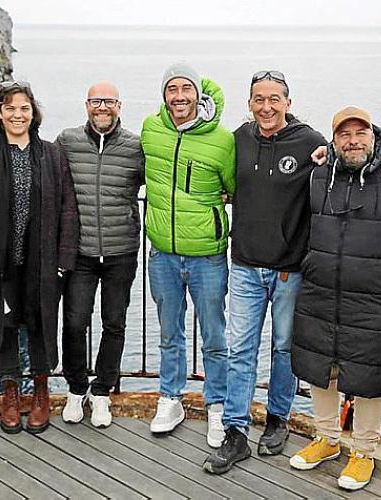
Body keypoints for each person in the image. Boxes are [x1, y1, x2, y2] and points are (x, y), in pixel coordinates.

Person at [204, 70, 327, 474]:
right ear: (249, 103)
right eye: (259, 99)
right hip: (245, 266)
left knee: (284, 348)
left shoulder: (309, 142)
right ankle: (236, 431)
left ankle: (277, 419)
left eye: (275, 99)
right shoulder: (239, 138)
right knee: (240, 349)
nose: (267, 106)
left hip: (290, 269)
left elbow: (353, 155)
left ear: (288, 103)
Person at [288, 107, 381, 491]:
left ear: (374, 137)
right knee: (321, 367)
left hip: (374, 295)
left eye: (361, 133)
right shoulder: (319, 175)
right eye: (344, 135)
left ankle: (364, 452)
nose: (353, 141)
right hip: (322, 288)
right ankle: (327, 439)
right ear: (334, 141)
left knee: (369, 374)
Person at [0, 82, 79, 434]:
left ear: (33, 113)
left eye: (24, 108)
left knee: (42, 323)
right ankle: (11, 392)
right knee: (6, 325)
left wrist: (64, 259)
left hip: (43, 261)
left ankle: (41, 390)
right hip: (1, 263)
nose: (18, 114)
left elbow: (68, 208)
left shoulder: (51, 155)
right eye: (10, 108)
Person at [141, 62, 235, 444]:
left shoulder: (223, 140)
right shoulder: (151, 129)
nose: (179, 97)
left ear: (198, 94)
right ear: (164, 95)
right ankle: (171, 398)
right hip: (162, 253)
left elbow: (234, 187)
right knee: (169, 333)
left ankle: (218, 405)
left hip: (207, 256)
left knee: (214, 335)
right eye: (172, 89)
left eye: (186, 89)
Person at [56, 82, 143, 428]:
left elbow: (163, 182)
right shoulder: (67, 141)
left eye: (108, 101)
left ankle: (103, 391)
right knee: (74, 322)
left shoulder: (136, 146)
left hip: (122, 250)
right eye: (96, 101)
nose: (102, 107)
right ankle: (76, 388)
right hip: (80, 252)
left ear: (119, 105)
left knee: (114, 323)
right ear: (87, 105)